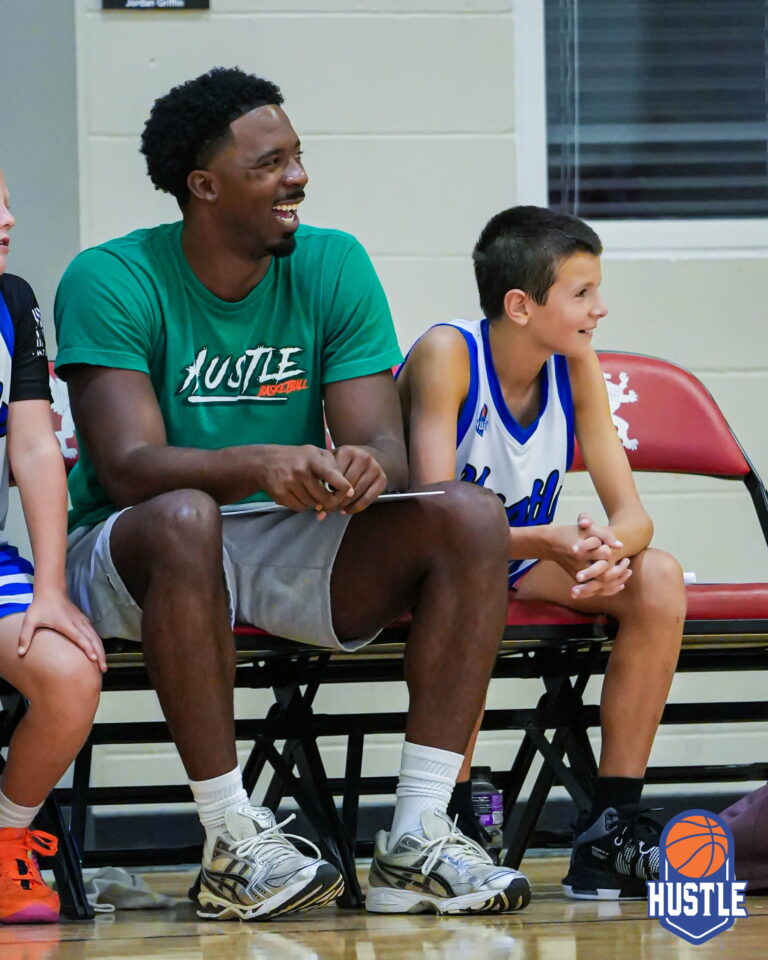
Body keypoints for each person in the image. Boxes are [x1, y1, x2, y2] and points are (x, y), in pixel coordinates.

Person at [53, 67, 531, 920]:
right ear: (204, 185)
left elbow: (382, 442)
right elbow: (127, 466)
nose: (298, 178)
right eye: (271, 164)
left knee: (468, 515)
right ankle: (230, 841)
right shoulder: (111, 277)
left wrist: (366, 467)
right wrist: (260, 463)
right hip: (134, 548)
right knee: (187, 517)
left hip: (280, 535)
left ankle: (418, 836)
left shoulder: (333, 263)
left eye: (297, 156)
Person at [396, 205, 686, 900]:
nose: (600, 308)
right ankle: (448, 819)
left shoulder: (575, 364)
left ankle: (611, 829)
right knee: (472, 587)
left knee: (657, 578)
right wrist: (549, 542)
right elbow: (436, 520)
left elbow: (634, 516)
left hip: (514, 553)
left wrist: (607, 551)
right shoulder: (447, 354)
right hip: (425, 566)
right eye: (582, 293)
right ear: (520, 305)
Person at [0, 168, 104, 924]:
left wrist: (51, 589)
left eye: (7, 202)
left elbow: (35, 448)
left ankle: (5, 840)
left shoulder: (13, 301)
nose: (8, 220)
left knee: (70, 673)